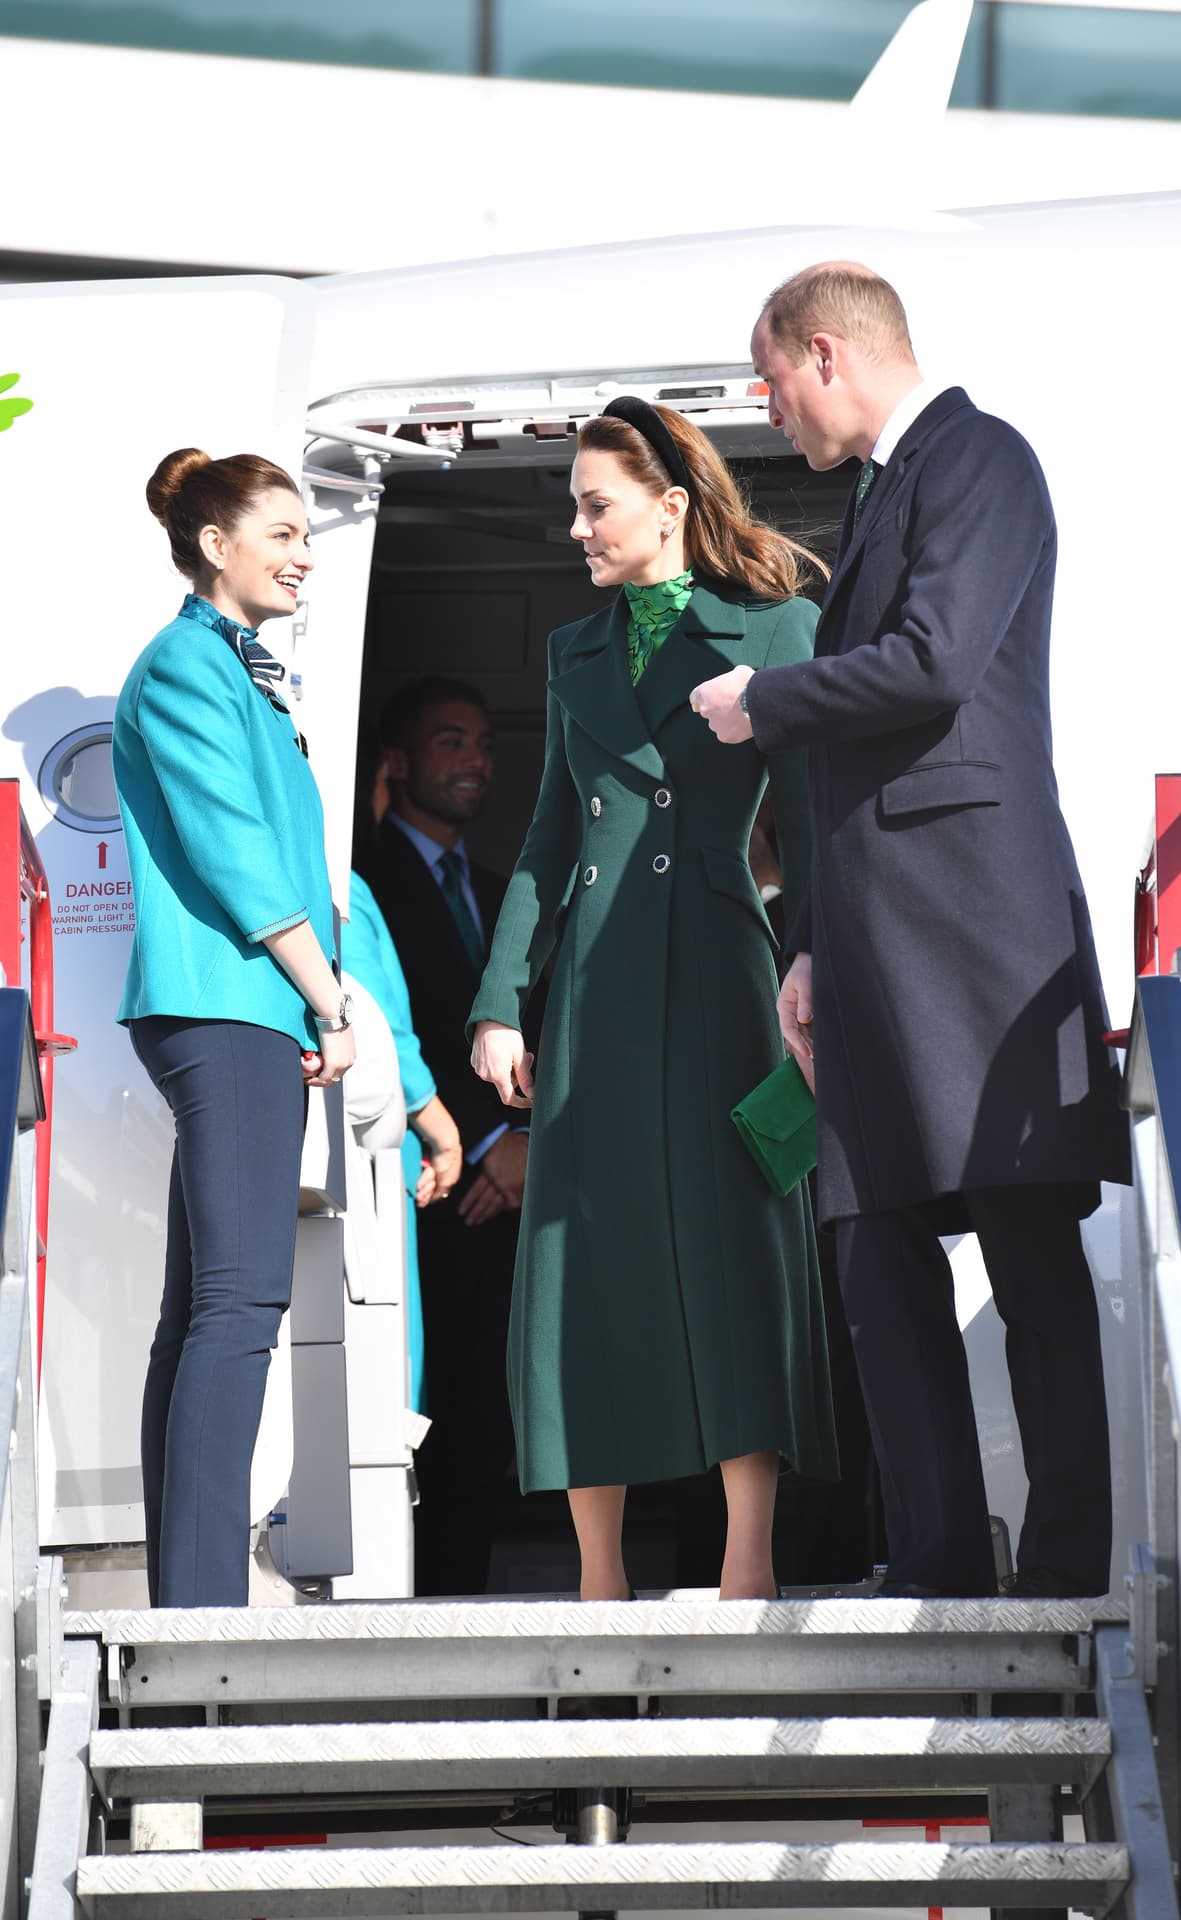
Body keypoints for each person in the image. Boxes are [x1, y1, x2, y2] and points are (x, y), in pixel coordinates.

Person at [690, 263, 1130, 1601]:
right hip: (883, 946)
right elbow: (855, 775)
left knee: (1027, 1256)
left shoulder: (979, 458)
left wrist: (768, 696)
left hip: (976, 934)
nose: (772, 411)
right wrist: (812, 944)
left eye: (769, 380)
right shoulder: (891, 489)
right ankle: (938, 1558)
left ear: (827, 354)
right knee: (872, 1252)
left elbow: (936, 662)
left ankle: (1058, 1571)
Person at [469, 397, 840, 1602]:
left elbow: (820, 824)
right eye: (574, 506)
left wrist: (816, 955)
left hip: (727, 972)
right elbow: (542, 837)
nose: (575, 528)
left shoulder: (779, 629)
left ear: (670, 507)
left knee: (735, 1246)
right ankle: (595, 1575)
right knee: (585, 1259)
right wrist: (498, 1001)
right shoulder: (572, 650)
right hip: (593, 982)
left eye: (593, 505)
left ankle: (747, 1560)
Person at [114, 448, 354, 1608]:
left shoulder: (232, 668)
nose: (305, 553)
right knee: (239, 1301)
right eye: (284, 533)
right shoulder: (184, 669)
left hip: (241, 1004)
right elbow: (238, 856)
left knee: (207, 1304)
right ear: (216, 545)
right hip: (225, 1001)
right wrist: (325, 993)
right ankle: (201, 1608)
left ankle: (189, 1591)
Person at [360, 678, 530, 1596]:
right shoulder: (359, 880)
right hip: (418, 1187)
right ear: (399, 762)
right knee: (416, 1412)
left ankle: (471, 1608)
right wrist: (481, 1138)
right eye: (451, 742)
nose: (475, 761)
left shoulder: (504, 893)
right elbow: (392, 1025)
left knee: (485, 1420)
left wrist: (524, 1143)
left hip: (509, 1195)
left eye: (485, 743)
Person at [342, 859, 464, 1415]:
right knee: (384, 1364)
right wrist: (442, 1131)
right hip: (368, 1153)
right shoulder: (337, 881)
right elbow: (370, 1019)